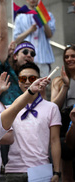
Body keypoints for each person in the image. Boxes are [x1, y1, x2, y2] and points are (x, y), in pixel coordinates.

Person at [5, 62, 61, 182]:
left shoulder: (51, 108)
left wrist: (57, 172)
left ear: (39, 80)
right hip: (14, 170)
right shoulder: (9, 108)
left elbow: (55, 141)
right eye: (23, 78)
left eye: (32, 78)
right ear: (18, 81)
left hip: (41, 170)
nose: (27, 82)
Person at [51, 45, 75, 182]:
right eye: (66, 57)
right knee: (67, 171)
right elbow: (53, 106)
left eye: (73, 56)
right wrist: (65, 86)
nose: (69, 59)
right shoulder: (58, 81)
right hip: (65, 127)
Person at [13, 0, 55, 78]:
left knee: (42, 84)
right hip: (26, 57)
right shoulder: (21, 17)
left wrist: (43, 20)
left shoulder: (48, 15)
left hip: (43, 58)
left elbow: (49, 34)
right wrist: (30, 30)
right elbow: (16, 39)